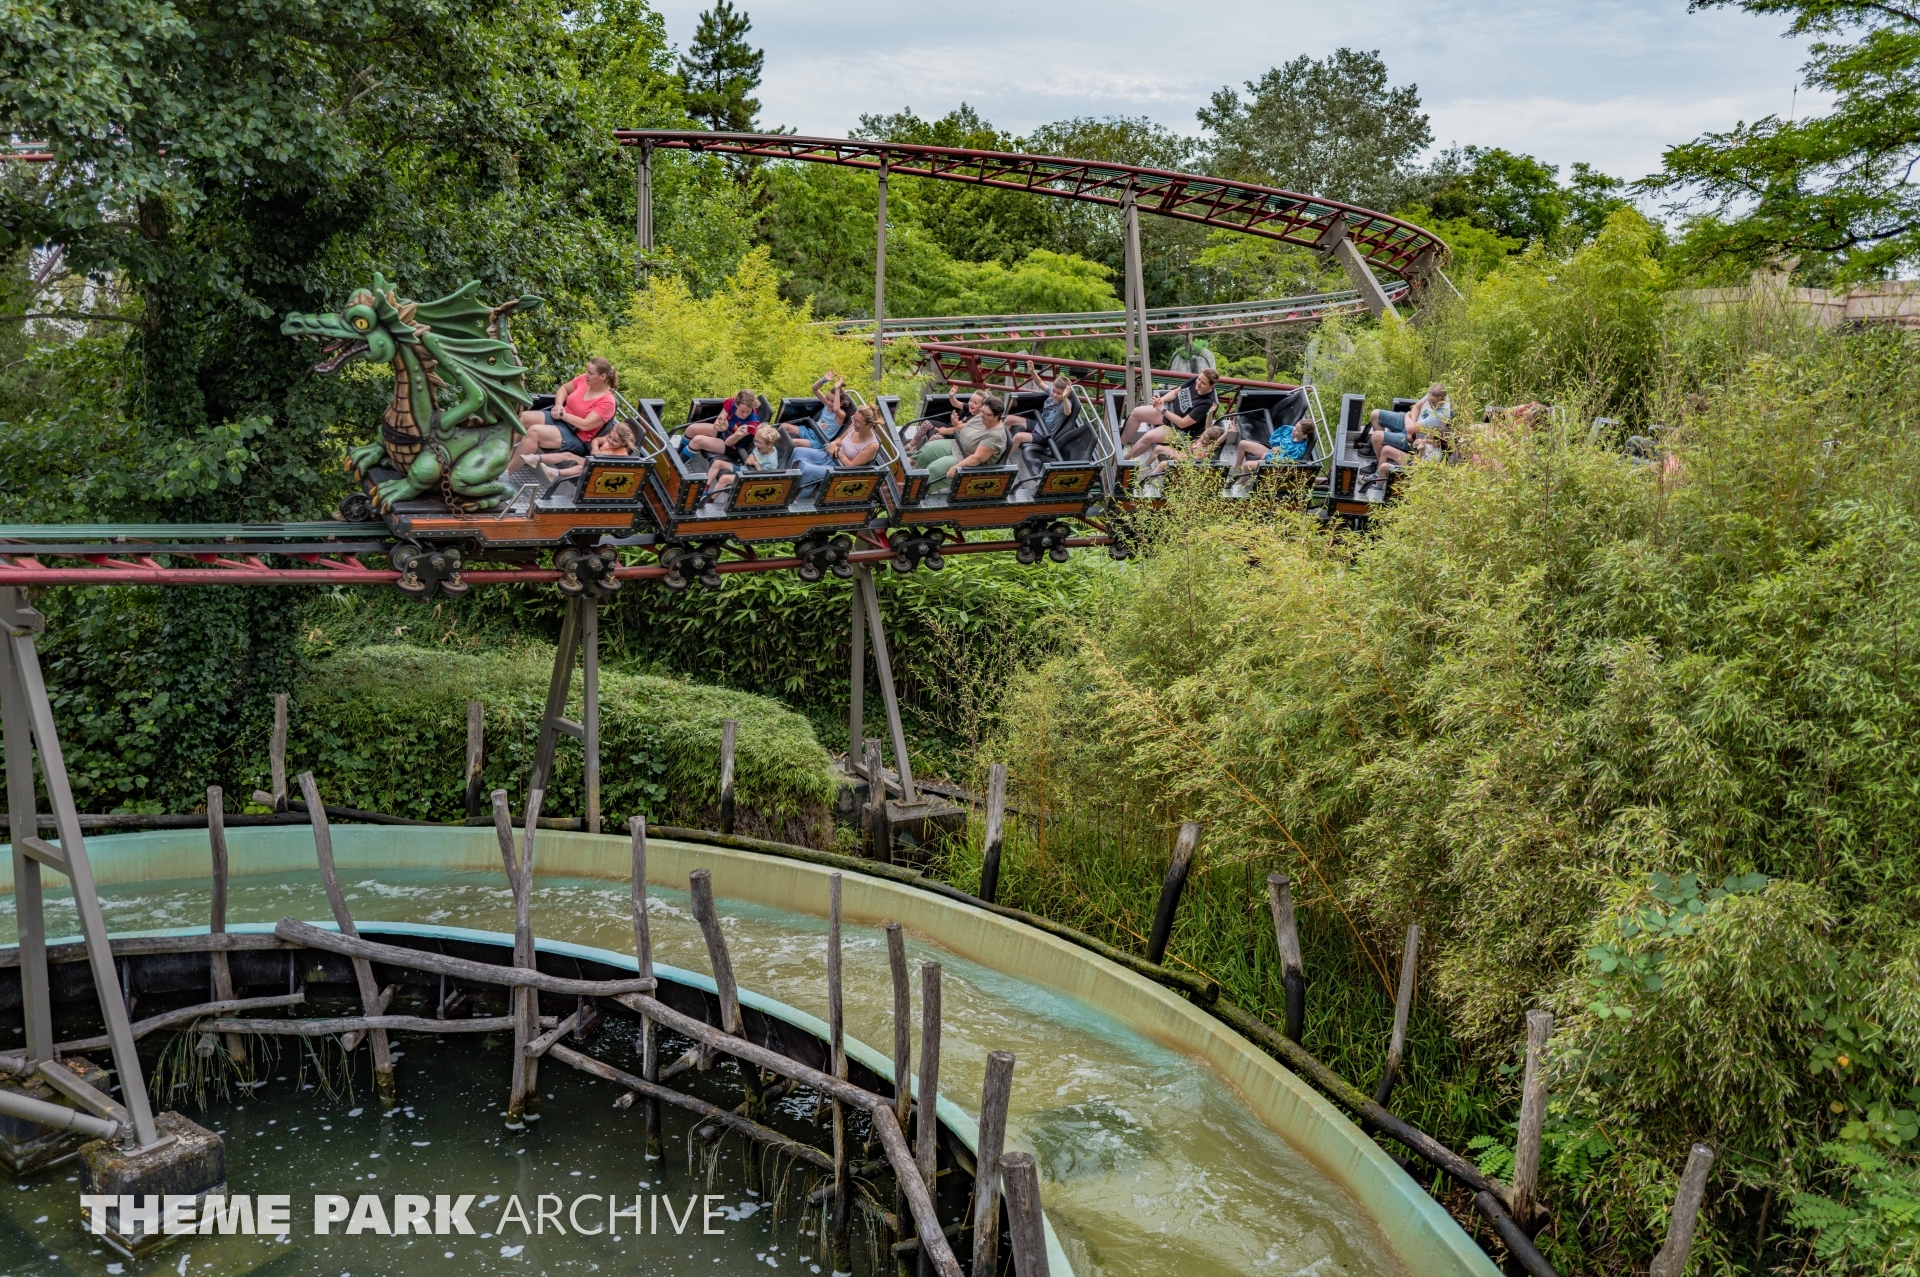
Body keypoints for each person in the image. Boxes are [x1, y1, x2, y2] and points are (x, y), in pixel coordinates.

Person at [513, 357, 618, 471]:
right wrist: (559, 405)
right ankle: (505, 456)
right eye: (587, 371)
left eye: (590, 373)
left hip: (576, 435)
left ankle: (507, 471)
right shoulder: (583, 379)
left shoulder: (607, 401)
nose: (586, 375)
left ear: (602, 376)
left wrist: (563, 415)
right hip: (560, 419)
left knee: (534, 431)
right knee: (522, 419)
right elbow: (564, 389)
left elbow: (585, 425)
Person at [915, 394, 1010, 492]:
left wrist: (956, 467)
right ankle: (915, 476)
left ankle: (918, 492)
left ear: (996, 416)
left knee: (935, 469)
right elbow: (963, 426)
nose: (982, 414)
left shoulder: (995, 436)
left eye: (986, 414)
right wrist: (948, 428)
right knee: (927, 451)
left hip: (967, 459)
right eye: (982, 411)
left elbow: (977, 458)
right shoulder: (981, 417)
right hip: (957, 445)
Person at [1364, 383, 1451, 489]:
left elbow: (1419, 462)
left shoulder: (1440, 416)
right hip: (1412, 424)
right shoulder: (1433, 394)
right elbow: (1416, 407)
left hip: (1414, 437)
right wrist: (1411, 420)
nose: (1431, 404)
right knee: (1375, 414)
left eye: (1434, 403)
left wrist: (1408, 418)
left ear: (1442, 399)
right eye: (1430, 401)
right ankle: (1379, 459)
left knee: (1376, 437)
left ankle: (1380, 468)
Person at [1122, 369, 1219, 459]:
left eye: (1203, 383)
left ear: (1211, 386)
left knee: (1148, 437)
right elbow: (1175, 392)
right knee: (1136, 413)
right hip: (1170, 411)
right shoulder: (1195, 380)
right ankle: (1120, 445)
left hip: (1179, 430)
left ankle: (1123, 460)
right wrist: (1160, 401)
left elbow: (1182, 423)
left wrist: (1162, 410)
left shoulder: (1207, 403)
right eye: (1199, 379)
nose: (1198, 383)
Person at [795, 403, 884, 498]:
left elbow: (851, 466)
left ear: (869, 425)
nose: (854, 423)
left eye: (858, 422)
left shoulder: (872, 445)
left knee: (808, 470)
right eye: (854, 419)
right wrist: (833, 443)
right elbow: (840, 440)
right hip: (831, 456)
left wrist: (838, 452)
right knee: (797, 451)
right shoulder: (854, 426)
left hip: (839, 468)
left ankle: (798, 497)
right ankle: (791, 483)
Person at [1010, 374, 1091, 460]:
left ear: (1065, 393)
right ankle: (1002, 442)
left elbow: (1067, 412)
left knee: (1018, 437)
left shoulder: (1065, 404)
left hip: (1043, 435)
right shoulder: (1052, 394)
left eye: (1058, 393)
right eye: (1054, 391)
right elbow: (1039, 383)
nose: (1055, 395)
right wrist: (1032, 371)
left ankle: (1004, 460)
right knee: (1010, 419)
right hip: (1038, 424)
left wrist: (1064, 398)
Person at [682, 389, 764, 467]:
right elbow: (715, 426)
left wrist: (735, 433)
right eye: (742, 411)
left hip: (733, 445)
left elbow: (728, 443)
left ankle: (680, 464)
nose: (745, 415)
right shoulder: (731, 402)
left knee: (698, 441)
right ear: (736, 404)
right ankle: (679, 455)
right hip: (724, 432)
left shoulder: (752, 424)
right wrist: (720, 427)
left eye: (748, 411)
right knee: (691, 429)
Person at [537, 421, 635, 482]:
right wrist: (595, 449)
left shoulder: (621, 455)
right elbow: (596, 440)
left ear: (623, 443)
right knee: (568, 455)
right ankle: (537, 458)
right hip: (593, 461)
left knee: (581, 468)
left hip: (599, 471)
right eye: (610, 437)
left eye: (615, 441)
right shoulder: (609, 438)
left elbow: (611, 470)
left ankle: (554, 473)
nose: (610, 441)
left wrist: (602, 456)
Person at [708, 424, 784, 497]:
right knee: (717, 463)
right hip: (744, 469)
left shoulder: (772, 462)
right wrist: (751, 456)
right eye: (755, 440)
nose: (755, 444)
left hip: (750, 477)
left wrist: (756, 464)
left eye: (758, 442)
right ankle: (705, 488)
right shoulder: (761, 446)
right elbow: (754, 452)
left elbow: (763, 478)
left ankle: (710, 500)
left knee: (724, 479)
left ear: (769, 445)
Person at [792, 373, 851, 450]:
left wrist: (837, 389)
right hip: (811, 431)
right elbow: (814, 389)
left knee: (794, 442)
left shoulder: (840, 415)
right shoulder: (827, 405)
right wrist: (824, 379)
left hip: (819, 441)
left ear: (840, 403)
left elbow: (836, 409)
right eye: (827, 399)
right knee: (784, 426)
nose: (828, 402)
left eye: (832, 401)